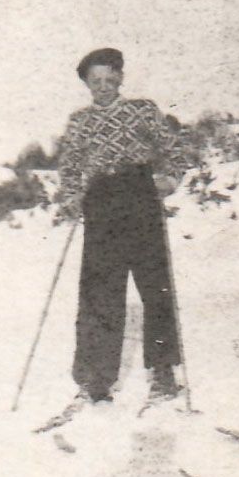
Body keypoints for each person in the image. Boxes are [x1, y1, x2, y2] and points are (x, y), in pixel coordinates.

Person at [55, 47, 188, 404]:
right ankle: (97, 378)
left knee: (154, 286)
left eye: (109, 79)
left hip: (140, 196)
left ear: (120, 78)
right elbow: (69, 167)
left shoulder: (142, 110)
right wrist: (70, 196)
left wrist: (170, 179)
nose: (103, 86)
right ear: (86, 83)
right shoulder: (79, 121)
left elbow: (174, 149)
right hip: (101, 202)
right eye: (95, 80)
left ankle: (163, 372)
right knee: (101, 291)